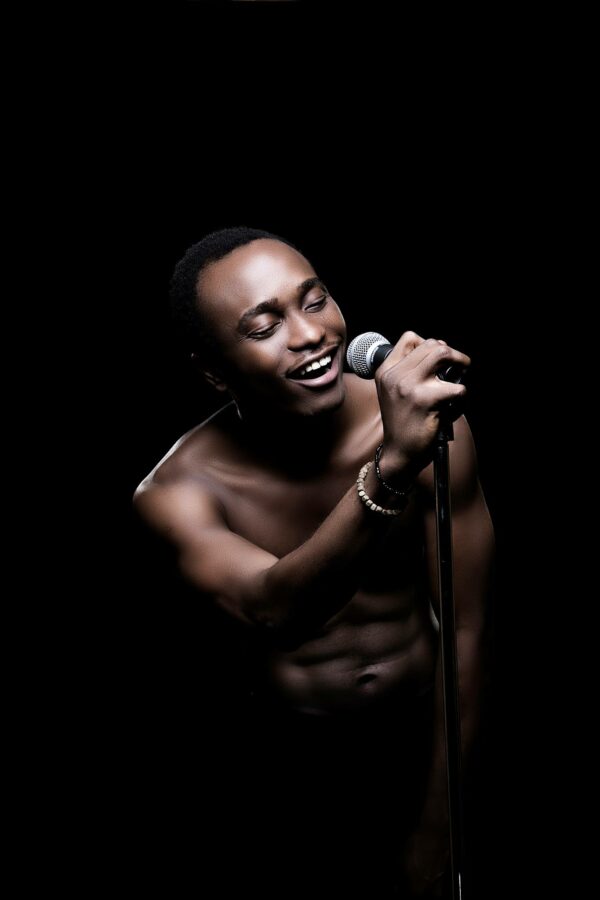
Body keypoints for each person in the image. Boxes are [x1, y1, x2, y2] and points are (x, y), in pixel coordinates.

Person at [133, 227, 494, 898]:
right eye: (264, 326)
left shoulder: (423, 423)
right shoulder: (178, 491)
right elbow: (275, 611)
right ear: (213, 371)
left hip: (425, 735)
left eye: (315, 299)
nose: (309, 334)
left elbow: (469, 628)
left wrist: (441, 824)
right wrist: (392, 469)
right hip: (288, 760)